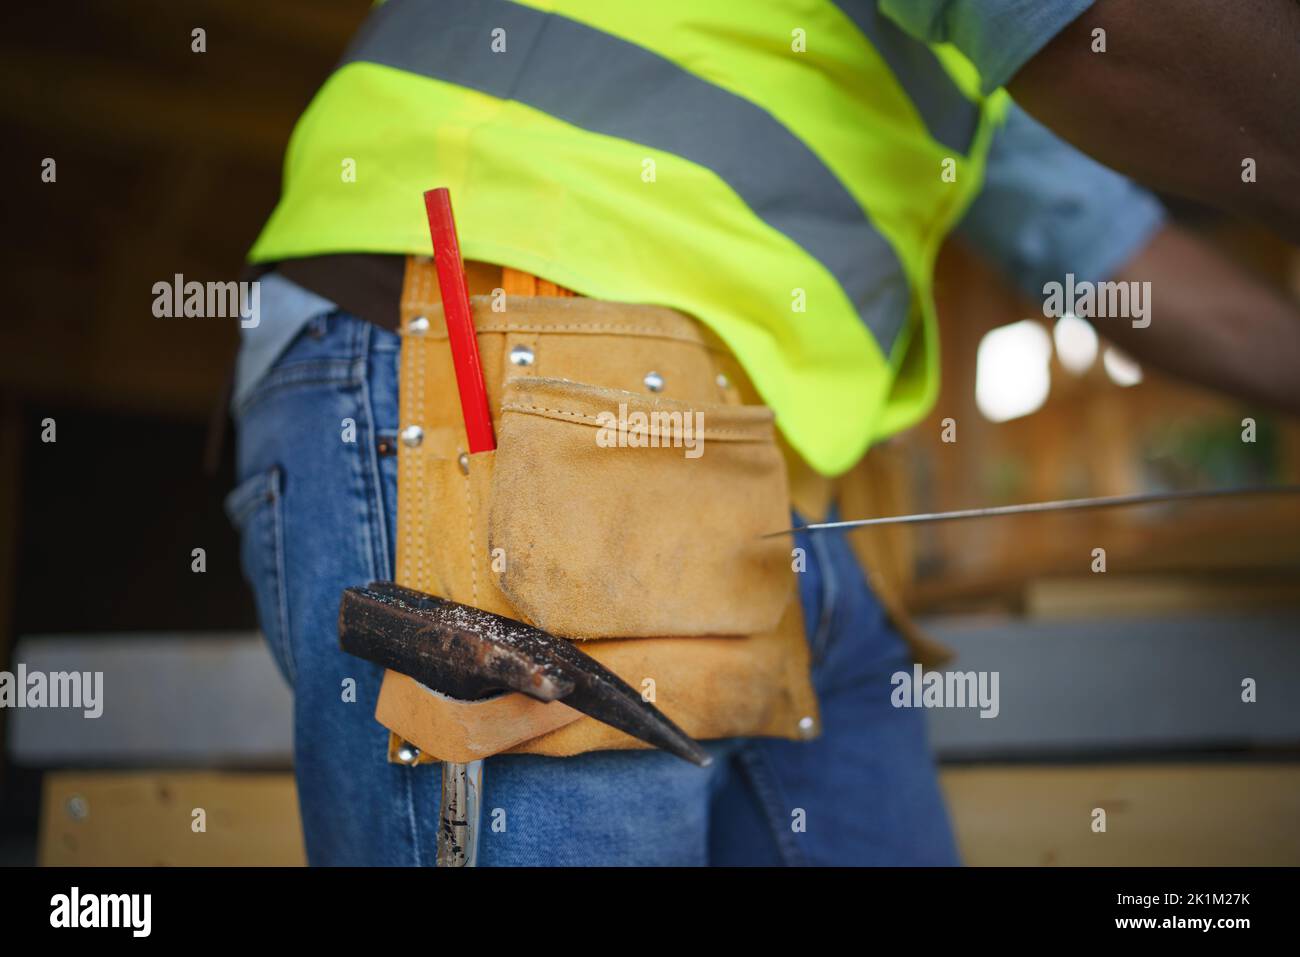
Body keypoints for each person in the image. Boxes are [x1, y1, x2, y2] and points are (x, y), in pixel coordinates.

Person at [227, 0, 1300, 865]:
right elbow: (1127, 43)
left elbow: (1098, 237)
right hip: (526, 370)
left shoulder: (952, 78)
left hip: (797, 508)